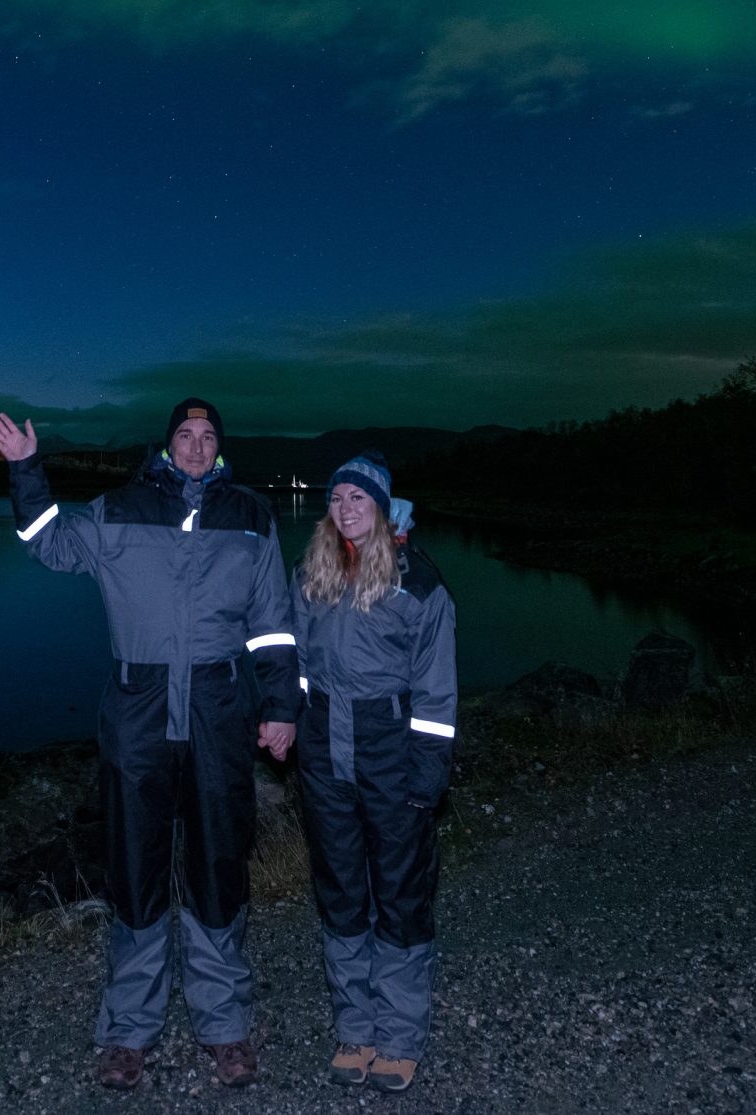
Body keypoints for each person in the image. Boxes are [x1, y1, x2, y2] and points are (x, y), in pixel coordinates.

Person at [0, 399, 299, 1092]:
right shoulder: (119, 507)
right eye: (184, 435)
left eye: (207, 435)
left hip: (219, 709)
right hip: (138, 711)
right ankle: (129, 1030)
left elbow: (274, 622)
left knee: (219, 869)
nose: (195, 445)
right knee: (135, 871)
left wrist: (281, 705)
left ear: (220, 446)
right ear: (166, 445)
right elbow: (49, 541)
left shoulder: (250, 515)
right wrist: (25, 469)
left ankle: (224, 1026)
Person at [291, 454, 456, 1094]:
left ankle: (400, 1035)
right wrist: (294, 727)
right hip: (325, 747)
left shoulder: (419, 583)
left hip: (391, 743)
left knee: (400, 890)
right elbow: (299, 663)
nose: (346, 507)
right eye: (337, 498)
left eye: (359, 497)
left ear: (383, 508)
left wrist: (428, 770)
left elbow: (437, 692)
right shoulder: (313, 572)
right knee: (339, 888)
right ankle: (357, 1028)